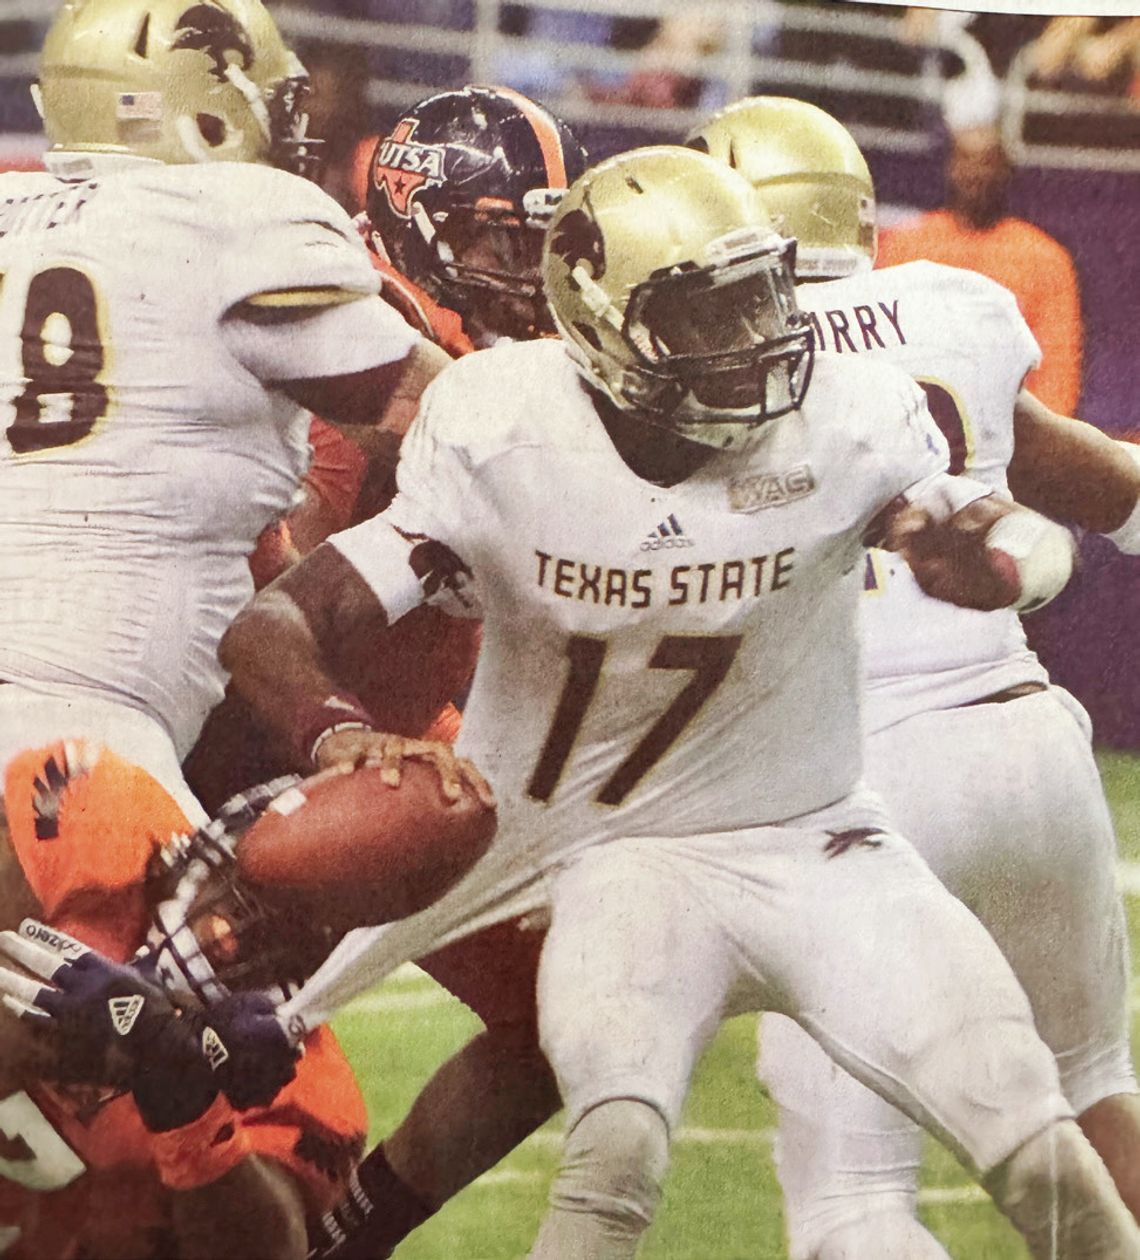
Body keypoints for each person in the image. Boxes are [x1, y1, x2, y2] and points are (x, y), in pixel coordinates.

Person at [218, 145, 1138, 1259]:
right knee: (608, 1152)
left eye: (761, 296)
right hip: (612, 849)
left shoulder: (845, 413)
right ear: (607, 331)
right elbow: (276, 623)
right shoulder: (503, 429)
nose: (758, 340)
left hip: (814, 834)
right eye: (711, 314)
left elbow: (991, 531)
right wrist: (341, 732)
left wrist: (1003, 559)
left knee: (1027, 1124)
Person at [0, 0, 442, 1247]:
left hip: (76, 719)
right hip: (88, 750)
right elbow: (446, 423)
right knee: (204, 1107)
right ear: (195, 100)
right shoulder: (233, 219)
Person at [689, 94, 1140, 1260]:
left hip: (860, 784)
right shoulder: (951, 309)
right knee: (1092, 1096)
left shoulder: (694, 358)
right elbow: (1106, 490)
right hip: (1028, 750)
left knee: (851, 1203)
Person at [185, 84, 588, 1258]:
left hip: (392, 754)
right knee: (182, 1147)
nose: (528, 273)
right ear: (420, 225)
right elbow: (275, 583)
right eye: (500, 239)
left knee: (565, 1014)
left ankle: (355, 1246)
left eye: (546, 243)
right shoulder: (359, 344)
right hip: (259, 767)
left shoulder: (485, 362)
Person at [0, 752, 361, 1259]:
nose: (230, 934)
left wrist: (188, 1106)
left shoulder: (304, 1092)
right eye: (241, 889)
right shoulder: (103, 813)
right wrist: (96, 1039)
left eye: (295, 927)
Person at [876, 121, 1083, 415]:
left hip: (1015, 427)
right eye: (966, 162)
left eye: (988, 163)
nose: (976, 175)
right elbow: (881, 350)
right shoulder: (904, 245)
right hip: (918, 421)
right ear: (950, 168)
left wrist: (1038, 448)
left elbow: (1058, 374)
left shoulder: (1046, 257)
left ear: (1007, 171)